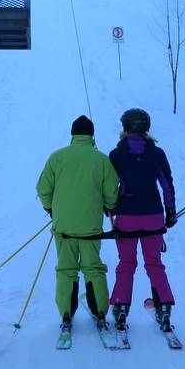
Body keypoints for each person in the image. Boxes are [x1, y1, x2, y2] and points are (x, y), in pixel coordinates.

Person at [37, 115, 119, 335]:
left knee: (66, 269)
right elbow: (112, 192)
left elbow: (43, 190)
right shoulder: (101, 159)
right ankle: (100, 312)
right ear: (91, 135)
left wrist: (51, 209)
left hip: (63, 227)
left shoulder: (57, 157)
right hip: (91, 228)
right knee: (93, 268)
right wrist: (109, 206)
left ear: (73, 134)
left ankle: (66, 314)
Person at [108, 108, 177, 332]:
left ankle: (120, 308)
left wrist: (109, 207)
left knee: (126, 263)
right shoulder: (157, 153)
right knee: (154, 263)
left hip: (126, 216)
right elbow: (166, 183)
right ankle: (163, 308)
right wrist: (170, 211)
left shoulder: (116, 154)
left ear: (125, 127)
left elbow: (110, 186)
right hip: (153, 217)